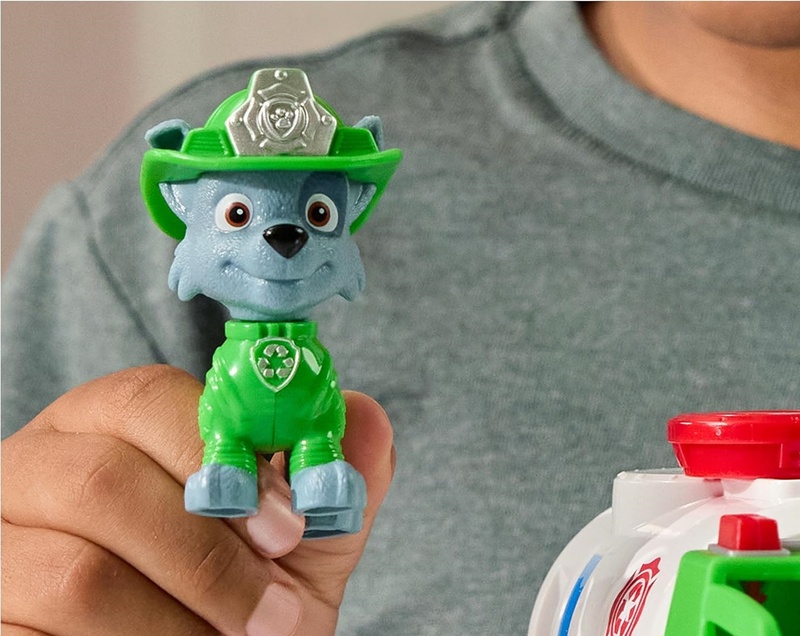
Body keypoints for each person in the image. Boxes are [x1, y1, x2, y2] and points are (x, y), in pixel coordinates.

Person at [3, 2, 800, 634]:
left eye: (315, 214)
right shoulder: (120, 250)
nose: (283, 237)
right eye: (241, 215)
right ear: (186, 213)